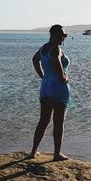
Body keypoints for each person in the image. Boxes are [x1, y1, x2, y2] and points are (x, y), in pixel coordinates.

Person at [29, 24, 71, 161]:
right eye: (60, 35)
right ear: (52, 35)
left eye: (64, 35)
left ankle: (33, 151)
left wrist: (43, 76)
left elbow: (35, 60)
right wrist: (63, 77)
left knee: (43, 121)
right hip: (58, 88)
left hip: (45, 87)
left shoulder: (43, 48)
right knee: (58, 123)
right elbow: (56, 61)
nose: (62, 38)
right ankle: (57, 154)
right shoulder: (56, 49)